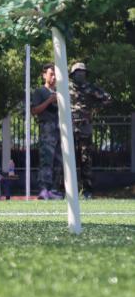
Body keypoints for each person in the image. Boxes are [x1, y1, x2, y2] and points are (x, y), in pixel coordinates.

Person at [68, 62, 111, 198]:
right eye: (78, 72)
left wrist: (93, 110)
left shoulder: (91, 88)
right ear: (73, 74)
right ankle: (67, 190)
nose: (80, 74)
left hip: (85, 127)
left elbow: (107, 98)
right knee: (68, 159)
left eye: (82, 72)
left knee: (85, 159)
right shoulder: (66, 88)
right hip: (69, 127)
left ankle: (87, 190)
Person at [30, 64, 63, 200]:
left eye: (56, 75)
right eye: (51, 74)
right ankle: (44, 189)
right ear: (44, 75)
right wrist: (50, 100)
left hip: (60, 130)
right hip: (47, 130)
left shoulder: (61, 92)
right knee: (46, 160)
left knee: (59, 161)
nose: (54, 77)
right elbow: (34, 110)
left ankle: (54, 189)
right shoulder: (40, 92)